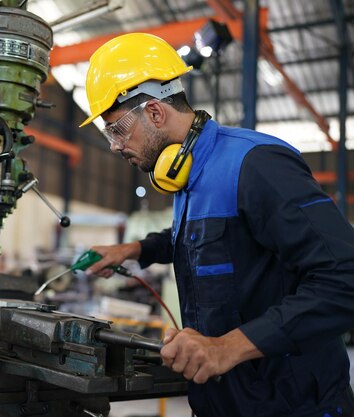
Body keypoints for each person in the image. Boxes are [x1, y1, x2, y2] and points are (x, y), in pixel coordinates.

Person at [79, 32, 354, 417]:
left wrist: (225, 348)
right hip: (222, 403)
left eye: (117, 129)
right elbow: (204, 241)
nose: (113, 145)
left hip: (291, 403)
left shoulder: (257, 164)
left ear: (156, 113)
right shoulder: (185, 178)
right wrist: (136, 250)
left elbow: (344, 277)